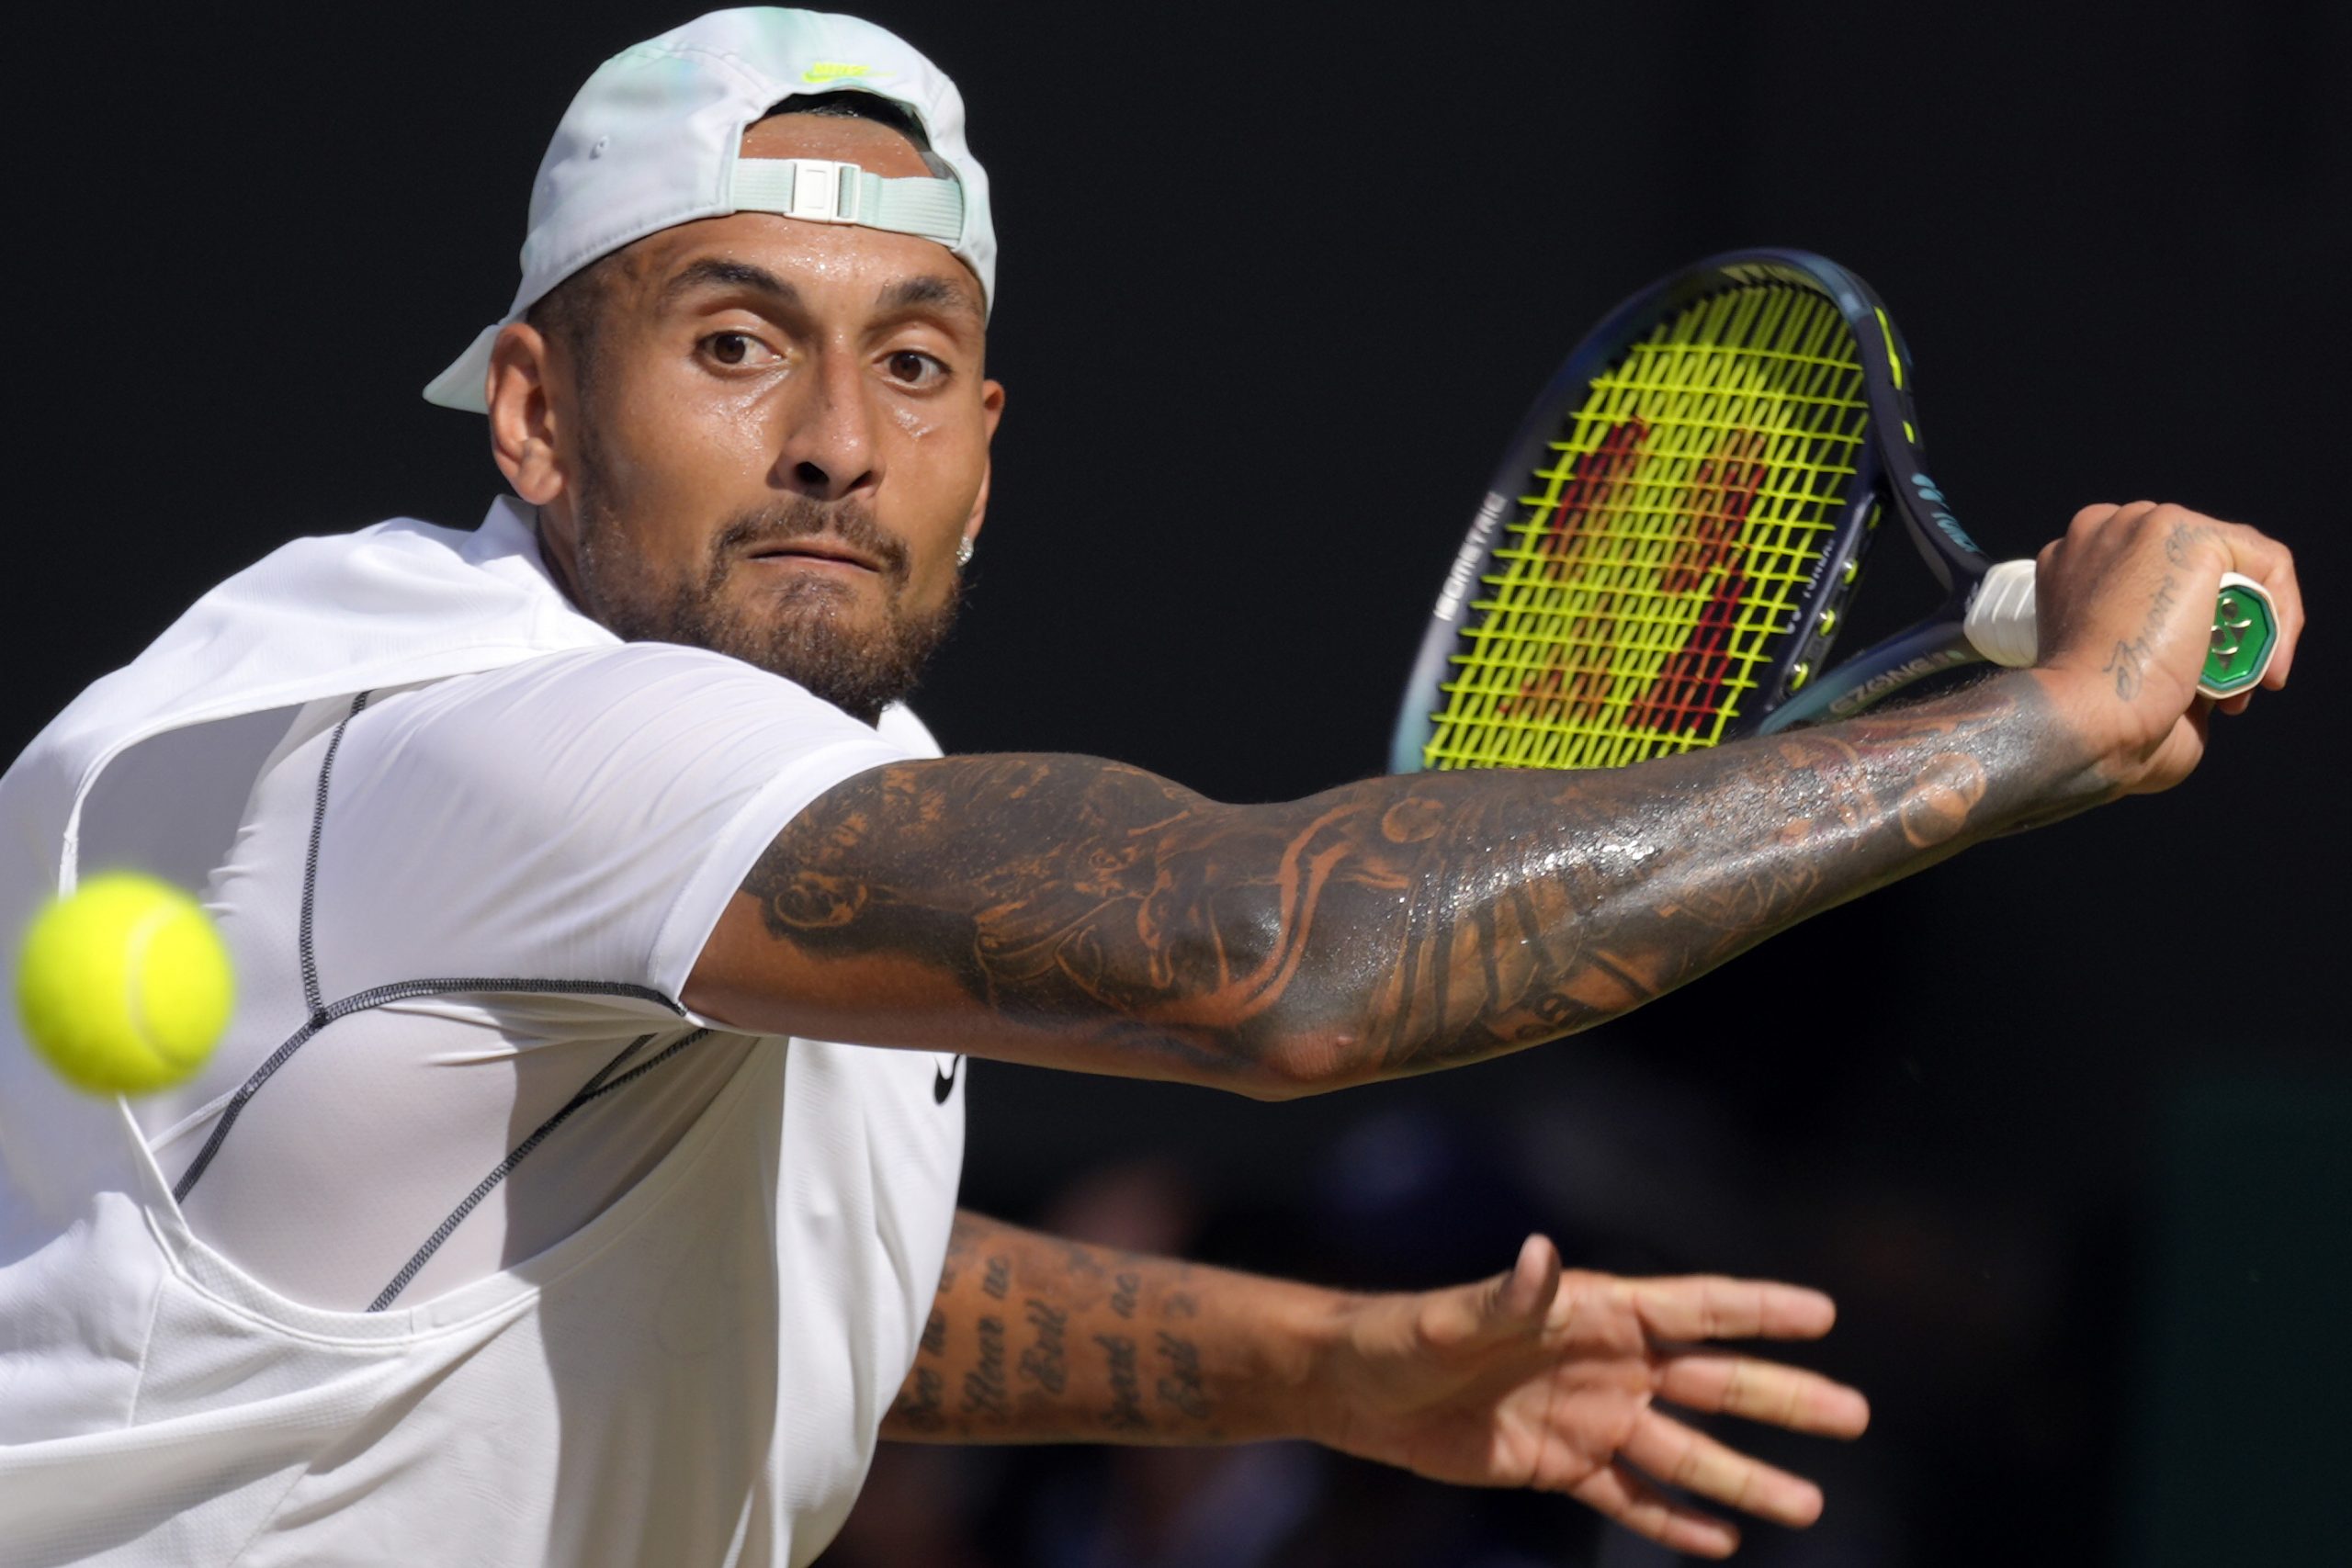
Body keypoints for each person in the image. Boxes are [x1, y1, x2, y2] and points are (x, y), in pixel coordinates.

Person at [0, 8, 2301, 1566]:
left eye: (908, 361)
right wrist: (2045, 727)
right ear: (529, 413)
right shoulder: (490, 731)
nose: (831, 437)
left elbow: (799, 1286)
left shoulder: (781, 797)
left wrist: (1328, 1366)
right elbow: (1279, 961)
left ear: (983, 452)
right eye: (729, 344)